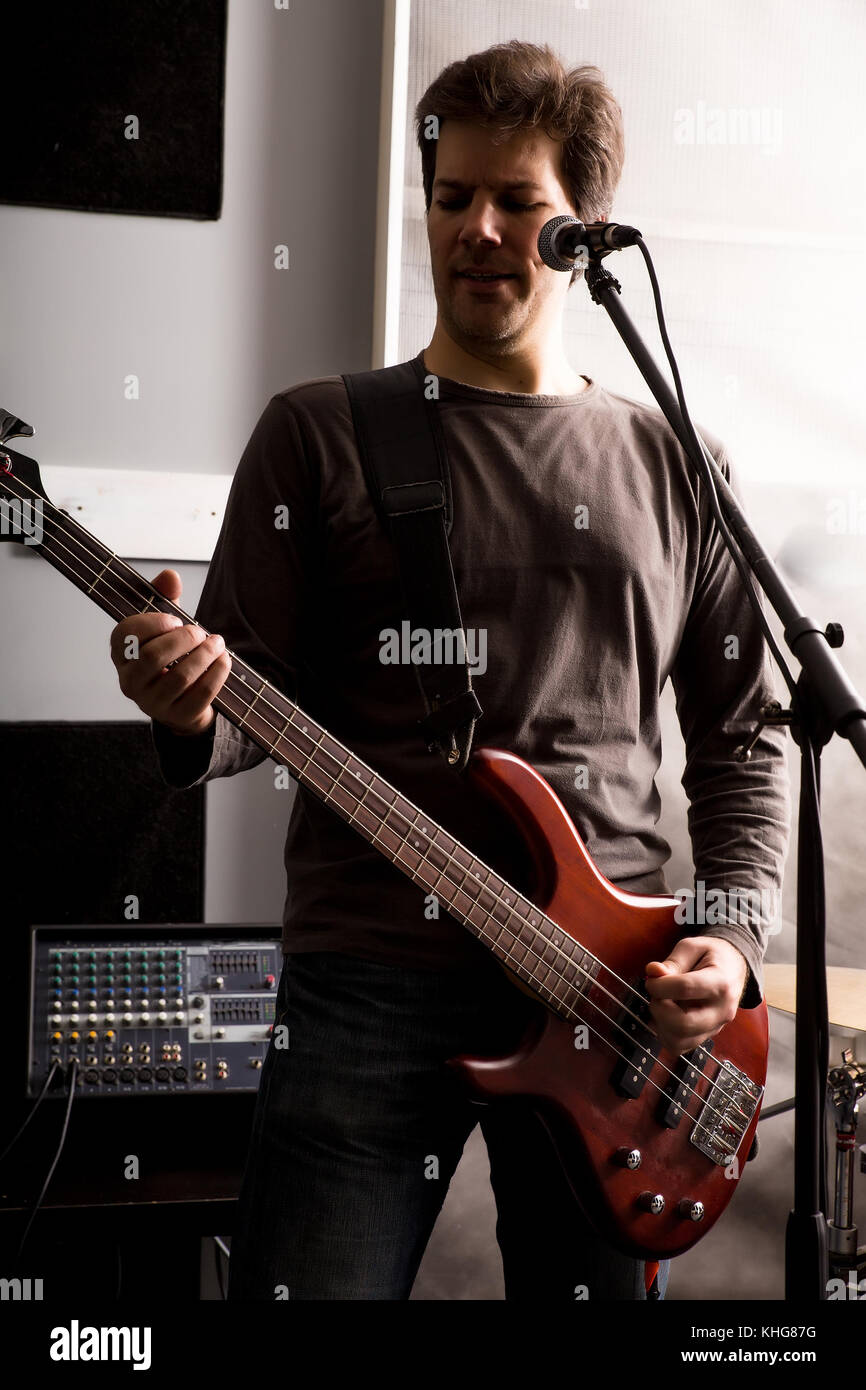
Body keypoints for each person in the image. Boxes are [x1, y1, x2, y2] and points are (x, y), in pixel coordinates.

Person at [110, 41, 791, 1301]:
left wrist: (735, 941)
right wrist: (183, 708)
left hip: (616, 1010)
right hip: (366, 983)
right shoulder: (319, 432)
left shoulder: (675, 465)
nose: (474, 228)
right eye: (448, 195)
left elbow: (744, 736)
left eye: (516, 202)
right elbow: (243, 697)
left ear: (583, 228)